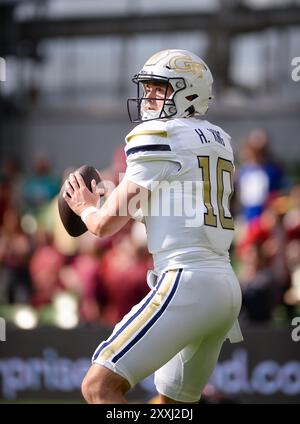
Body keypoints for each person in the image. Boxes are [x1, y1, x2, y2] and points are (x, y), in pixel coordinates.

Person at [63, 49, 243, 404]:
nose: (148, 96)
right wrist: (117, 197)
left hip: (186, 280)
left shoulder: (158, 133)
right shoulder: (220, 139)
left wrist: (86, 209)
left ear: (188, 92)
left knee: (99, 387)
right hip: (224, 287)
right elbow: (173, 204)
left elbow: (103, 225)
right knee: (170, 405)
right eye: (147, 87)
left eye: (158, 88)